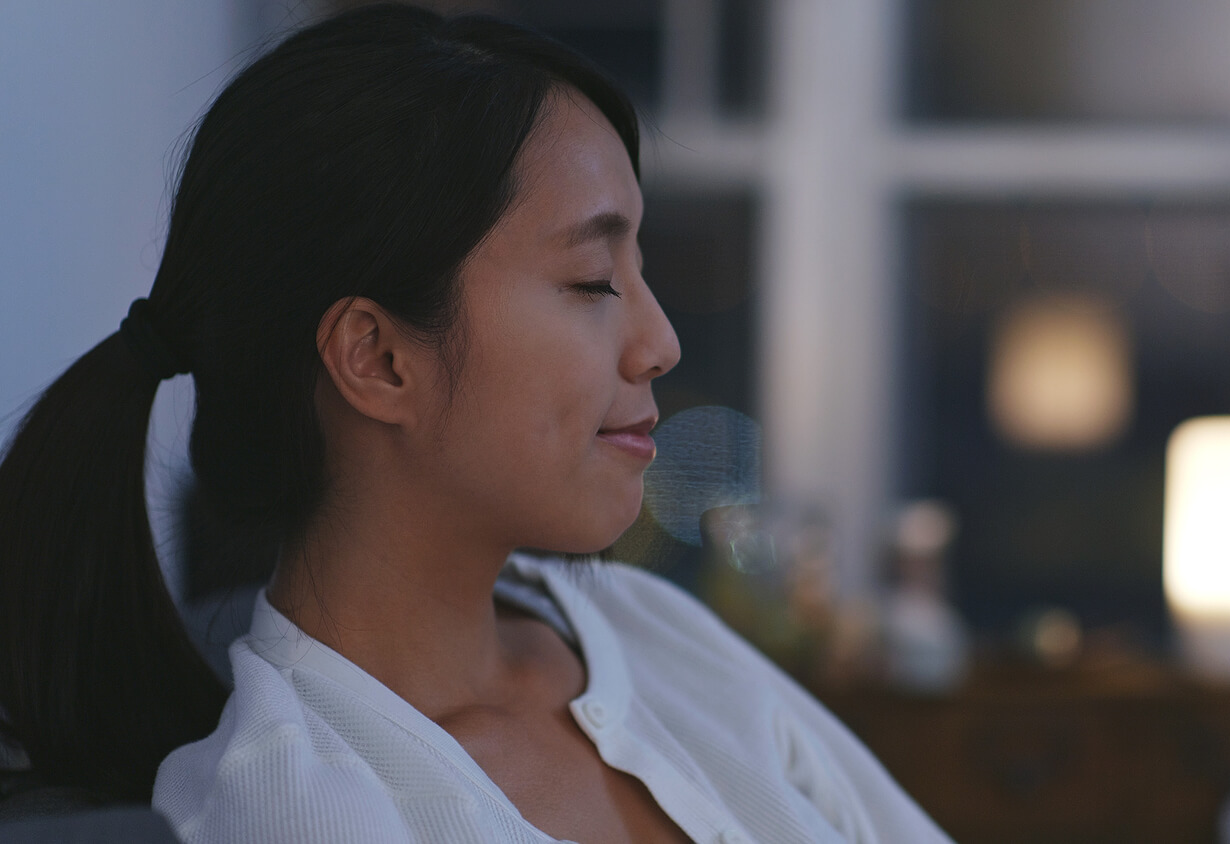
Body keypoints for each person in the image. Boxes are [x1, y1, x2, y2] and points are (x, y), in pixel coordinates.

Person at [0, 5, 951, 843]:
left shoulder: (642, 629)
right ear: (376, 359)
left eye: (641, 272)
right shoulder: (295, 807)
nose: (658, 341)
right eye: (592, 282)